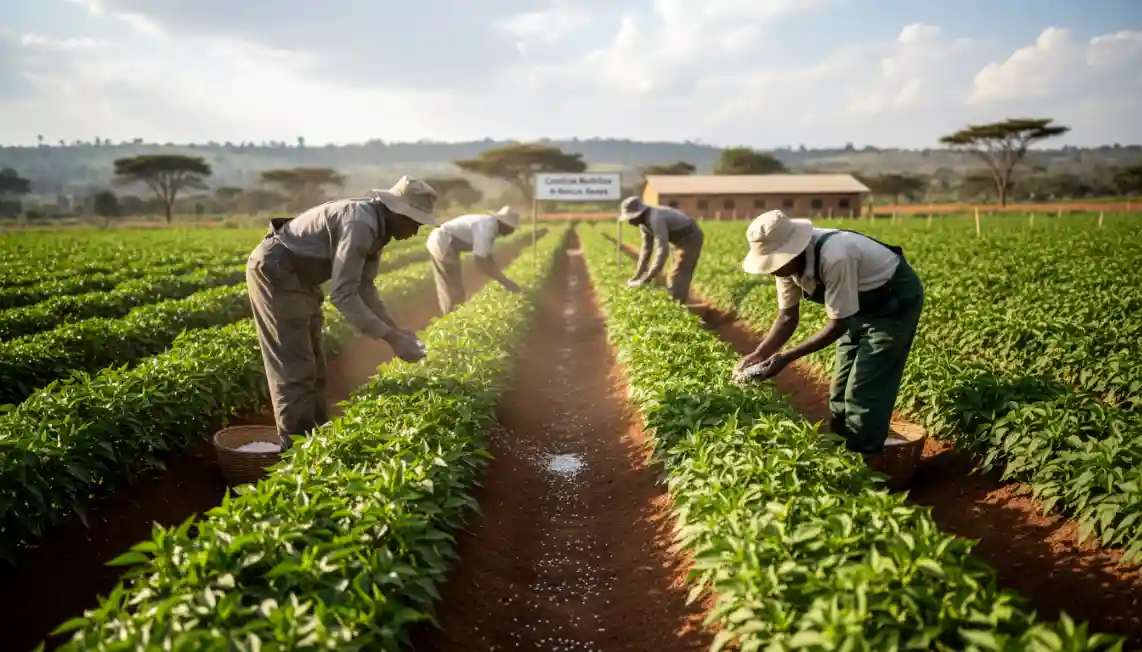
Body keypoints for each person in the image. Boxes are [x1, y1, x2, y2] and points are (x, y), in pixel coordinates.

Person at [245, 175, 438, 444]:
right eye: (414, 222)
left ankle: (318, 443)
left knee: (316, 366)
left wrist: (396, 330)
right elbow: (343, 295)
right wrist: (392, 339)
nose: (415, 232)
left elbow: (365, 287)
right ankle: (294, 455)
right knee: (295, 370)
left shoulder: (378, 228)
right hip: (277, 271)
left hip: (302, 277)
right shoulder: (360, 224)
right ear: (397, 211)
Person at [736, 209, 924, 457]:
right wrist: (759, 354)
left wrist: (786, 358)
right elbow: (787, 318)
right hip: (856, 307)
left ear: (792, 251)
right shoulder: (786, 267)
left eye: (775, 262)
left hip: (892, 303)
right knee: (839, 390)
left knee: (863, 391)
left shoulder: (835, 256)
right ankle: (841, 455)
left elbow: (837, 325)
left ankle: (865, 464)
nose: (772, 270)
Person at [426, 205, 521, 314]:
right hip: (443, 243)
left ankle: (454, 317)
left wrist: (504, 280)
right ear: (505, 225)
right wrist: (505, 282)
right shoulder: (487, 227)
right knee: (452, 289)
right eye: (512, 228)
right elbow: (480, 261)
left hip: (446, 244)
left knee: (455, 288)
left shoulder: (490, 227)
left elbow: (487, 258)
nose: (511, 232)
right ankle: (451, 321)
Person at [618, 196, 703, 303]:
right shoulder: (643, 223)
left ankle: (676, 308)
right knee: (672, 275)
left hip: (690, 237)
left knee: (677, 275)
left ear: (639, 214)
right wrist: (637, 276)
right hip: (677, 240)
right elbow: (646, 250)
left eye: (631, 218)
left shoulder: (656, 219)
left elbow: (662, 251)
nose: (630, 222)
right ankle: (675, 302)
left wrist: (647, 279)